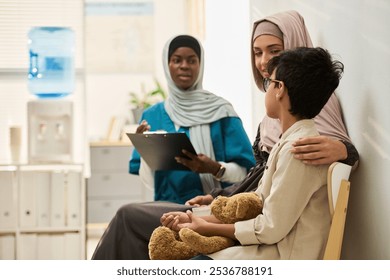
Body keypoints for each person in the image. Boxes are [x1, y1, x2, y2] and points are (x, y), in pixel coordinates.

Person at [91, 10, 359, 260]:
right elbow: (261, 185)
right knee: (144, 227)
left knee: (136, 223)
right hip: (229, 207)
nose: (264, 62)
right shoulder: (155, 112)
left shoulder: (295, 128)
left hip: (258, 231)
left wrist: (346, 150)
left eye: (274, 52)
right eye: (257, 52)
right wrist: (215, 200)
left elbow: (272, 206)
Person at [179, 46, 345, 260]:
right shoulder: (288, 142)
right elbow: (258, 203)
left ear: (280, 89)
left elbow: (269, 227)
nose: (266, 89)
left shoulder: (299, 150)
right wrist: (198, 219)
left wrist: (209, 228)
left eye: (269, 83)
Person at [129, 35, 255, 204]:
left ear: (200, 65)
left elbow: (248, 173)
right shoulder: (152, 115)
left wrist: (215, 168)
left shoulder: (221, 112)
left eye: (192, 60)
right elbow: (150, 182)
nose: (184, 66)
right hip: (169, 211)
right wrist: (144, 147)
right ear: (167, 65)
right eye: (177, 60)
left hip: (214, 209)